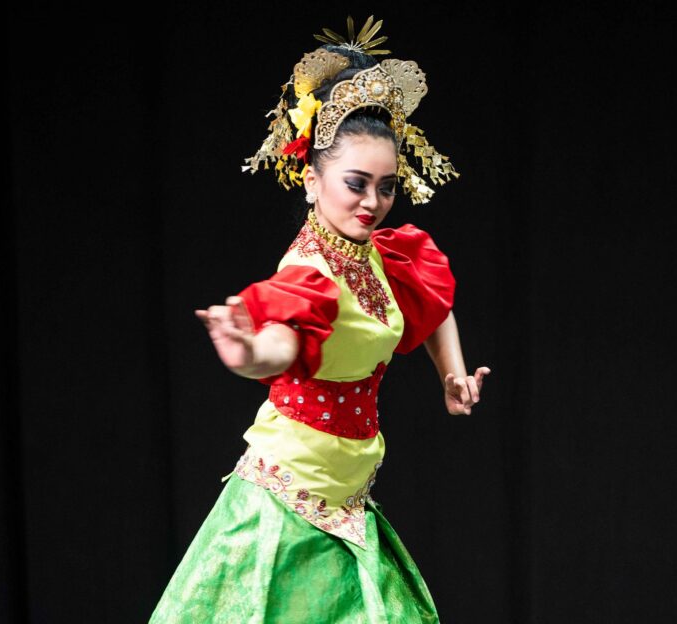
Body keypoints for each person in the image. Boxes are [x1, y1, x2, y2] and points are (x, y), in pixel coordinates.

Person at [149, 16, 489, 623]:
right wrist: (247, 355)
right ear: (312, 180)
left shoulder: (380, 255)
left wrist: (452, 375)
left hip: (348, 500)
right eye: (356, 184)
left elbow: (434, 308)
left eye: (386, 187)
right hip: (286, 501)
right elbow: (284, 344)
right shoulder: (310, 268)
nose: (372, 203)